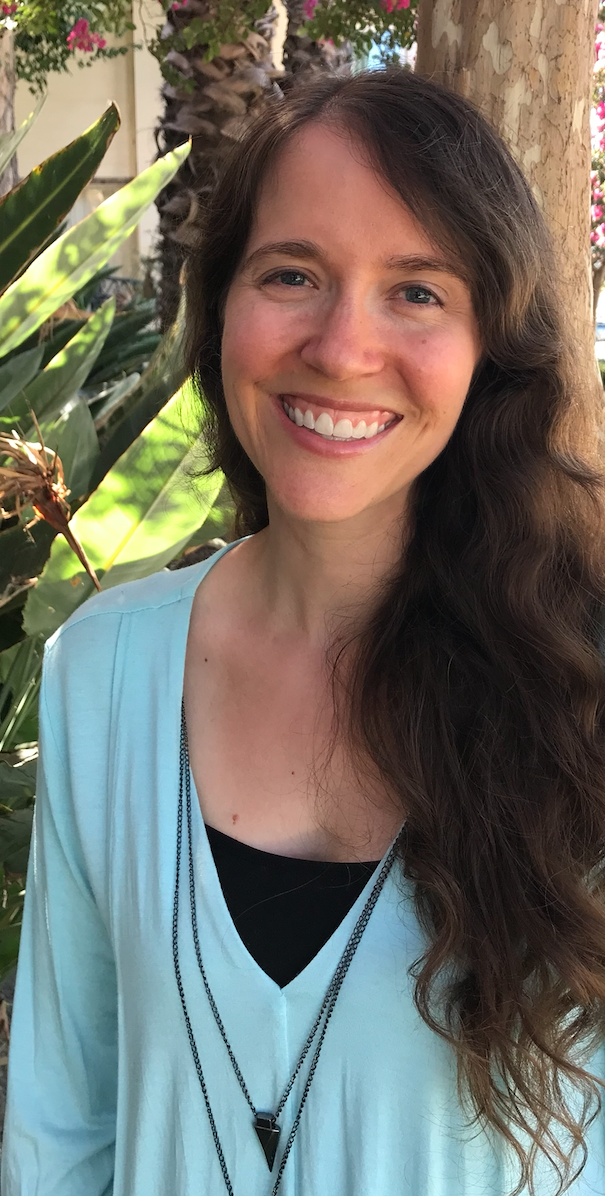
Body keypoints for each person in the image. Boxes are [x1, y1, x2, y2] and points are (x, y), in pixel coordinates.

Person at [2, 66, 605, 1196]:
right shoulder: (102, 672)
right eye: (292, 273)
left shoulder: (581, 682)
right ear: (220, 302)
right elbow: (60, 1124)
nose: (339, 346)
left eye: (416, 291)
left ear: (489, 347)